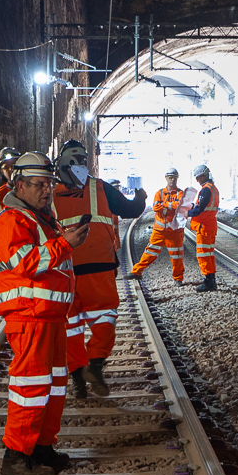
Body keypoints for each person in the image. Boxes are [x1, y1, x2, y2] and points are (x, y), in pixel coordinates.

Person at [0, 151, 90, 475]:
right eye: (40, 184)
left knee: (54, 385)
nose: (48, 190)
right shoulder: (11, 221)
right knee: (30, 387)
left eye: (50, 183)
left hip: (50, 317)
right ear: (20, 186)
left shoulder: (42, 219)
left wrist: (66, 238)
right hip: (29, 316)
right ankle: (16, 457)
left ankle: (42, 447)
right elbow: (25, 263)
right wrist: (66, 244)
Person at [52, 139, 147, 399]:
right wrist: (141, 197)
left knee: (70, 325)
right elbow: (131, 209)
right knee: (104, 316)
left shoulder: (50, 194)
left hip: (64, 269)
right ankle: (94, 366)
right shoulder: (100, 187)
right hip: (99, 267)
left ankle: (78, 380)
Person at [129, 168, 188, 283]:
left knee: (176, 255)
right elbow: (156, 207)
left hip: (174, 231)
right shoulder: (159, 193)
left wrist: (164, 205)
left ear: (177, 178)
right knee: (150, 252)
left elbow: (180, 206)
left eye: (174, 177)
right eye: (170, 177)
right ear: (166, 178)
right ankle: (136, 272)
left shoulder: (180, 193)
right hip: (159, 230)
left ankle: (178, 278)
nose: (172, 180)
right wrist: (170, 207)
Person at [186, 164, 220, 292]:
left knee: (203, 255)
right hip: (210, 225)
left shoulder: (206, 189)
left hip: (203, 227)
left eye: (198, 177)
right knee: (209, 254)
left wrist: (188, 213)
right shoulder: (214, 189)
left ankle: (208, 282)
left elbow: (199, 209)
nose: (197, 180)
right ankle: (211, 280)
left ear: (203, 176)